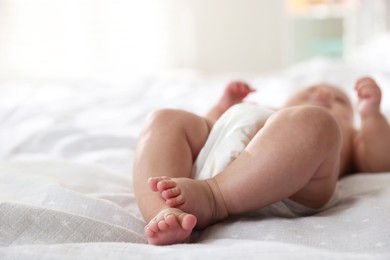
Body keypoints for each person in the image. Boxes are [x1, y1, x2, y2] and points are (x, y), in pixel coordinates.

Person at [132, 76, 390, 245]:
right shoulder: (266, 108)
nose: (323, 95)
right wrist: (224, 107)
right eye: (310, 90)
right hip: (209, 161)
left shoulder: (349, 132)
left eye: (339, 100)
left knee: (317, 123)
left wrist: (371, 117)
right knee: (165, 119)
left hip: (288, 186)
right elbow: (214, 128)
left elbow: (379, 162)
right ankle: (163, 210)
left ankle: (214, 197)